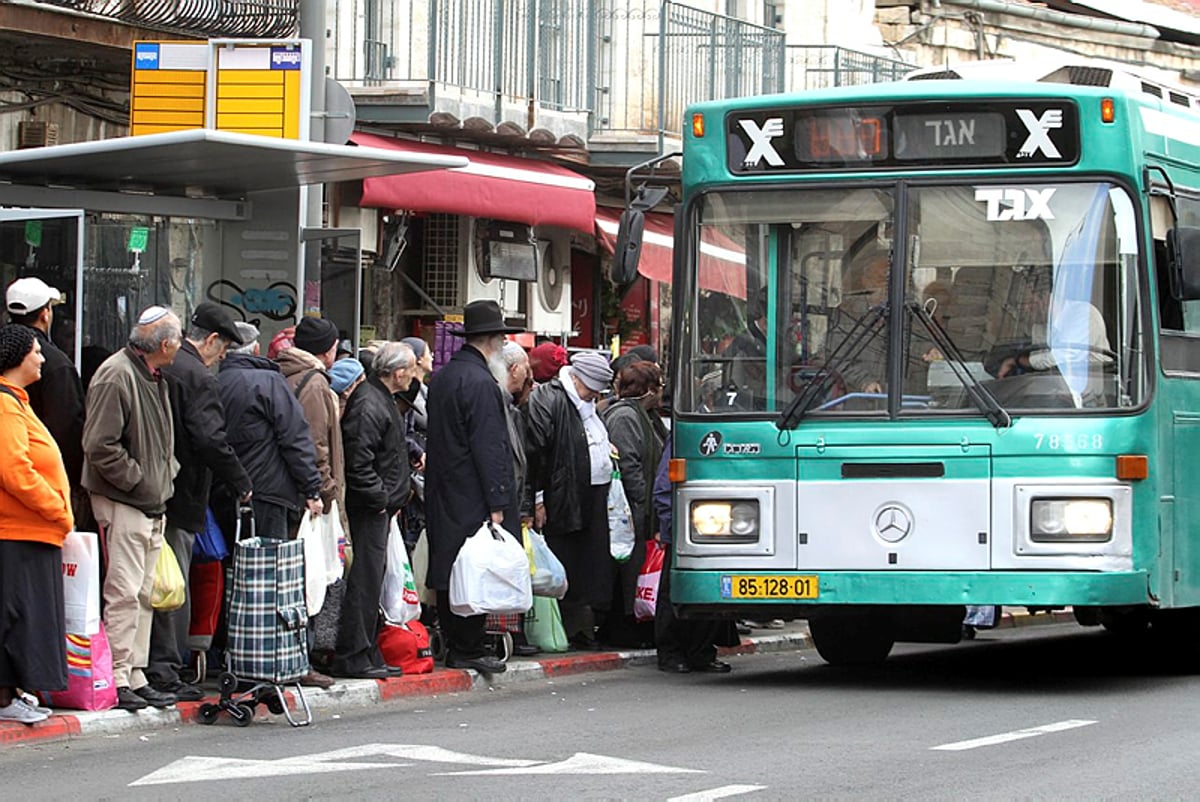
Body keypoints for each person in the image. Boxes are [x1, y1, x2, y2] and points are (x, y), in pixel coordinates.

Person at [146, 302, 251, 702]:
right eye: (222, 348)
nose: (222, 356)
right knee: (175, 584)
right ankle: (168, 667)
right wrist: (240, 479)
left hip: (154, 490)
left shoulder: (163, 367)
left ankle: (154, 663)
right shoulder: (197, 376)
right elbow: (210, 439)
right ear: (210, 340)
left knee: (153, 582)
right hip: (183, 492)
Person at [218, 321, 331, 689]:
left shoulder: (215, 380)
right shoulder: (267, 382)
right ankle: (278, 660)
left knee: (234, 580)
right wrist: (312, 488)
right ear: (253, 350)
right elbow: (295, 438)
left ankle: (232, 655)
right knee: (276, 582)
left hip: (228, 490)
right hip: (270, 491)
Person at [82, 306, 182, 712]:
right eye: (176, 341)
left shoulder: (148, 374)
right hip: (126, 499)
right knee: (124, 591)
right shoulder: (117, 375)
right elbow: (99, 446)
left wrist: (164, 476)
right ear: (163, 344)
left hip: (146, 499)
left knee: (143, 591)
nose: (179, 347)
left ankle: (134, 672)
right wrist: (141, 480)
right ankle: (120, 674)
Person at [425, 301, 520, 674]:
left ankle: (456, 641)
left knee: (451, 565)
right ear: (495, 342)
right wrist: (497, 500)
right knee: (475, 567)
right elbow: (489, 446)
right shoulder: (481, 383)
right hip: (472, 490)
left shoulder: (445, 376)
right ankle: (467, 645)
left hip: (444, 485)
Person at [0, 325, 74, 723]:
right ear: (17, 359)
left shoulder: (17, 402)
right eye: (36, 352)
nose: (43, 358)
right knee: (15, 618)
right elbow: (14, 470)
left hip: (32, 531)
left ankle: (14, 693)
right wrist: (57, 510)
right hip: (18, 530)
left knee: (24, 618)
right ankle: (4, 697)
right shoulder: (4, 404)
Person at [331, 341, 417, 679]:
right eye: (410, 369)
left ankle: (365, 649)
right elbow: (359, 461)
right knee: (366, 581)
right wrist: (380, 498)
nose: (414, 375)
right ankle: (353, 653)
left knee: (372, 579)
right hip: (371, 509)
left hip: (380, 506)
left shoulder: (380, 399)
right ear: (397, 373)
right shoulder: (371, 403)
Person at [526, 350, 615, 649]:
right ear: (575, 378)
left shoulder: (586, 405)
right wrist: (537, 499)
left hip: (590, 493)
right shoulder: (549, 400)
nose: (593, 395)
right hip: (563, 495)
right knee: (568, 561)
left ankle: (582, 628)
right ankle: (569, 628)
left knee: (589, 564)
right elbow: (536, 453)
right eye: (590, 388)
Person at [652, 434, 734, 674]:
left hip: (717, 522)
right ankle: (670, 652)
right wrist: (670, 523)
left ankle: (702, 652)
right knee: (674, 593)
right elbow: (664, 486)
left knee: (711, 591)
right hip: (686, 526)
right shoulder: (685, 434)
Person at [5, 278, 85, 516]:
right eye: (35, 354)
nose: (39, 359)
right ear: (45, 314)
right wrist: (57, 499)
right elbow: (68, 429)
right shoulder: (57, 365)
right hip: (41, 487)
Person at [600, 361, 666, 647]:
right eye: (660, 385)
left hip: (642, 507)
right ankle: (624, 627)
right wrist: (643, 503)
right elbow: (629, 465)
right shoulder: (626, 417)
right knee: (627, 572)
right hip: (630, 510)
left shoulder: (648, 415)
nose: (663, 391)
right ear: (650, 389)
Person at [490, 340, 538, 656]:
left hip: (510, 501)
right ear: (515, 369)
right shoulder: (498, 404)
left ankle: (512, 630)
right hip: (500, 503)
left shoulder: (511, 407)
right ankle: (502, 632)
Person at [277, 316, 345, 534]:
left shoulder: (285, 372)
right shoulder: (314, 383)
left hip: (290, 486)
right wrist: (326, 490)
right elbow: (315, 442)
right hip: (306, 493)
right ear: (327, 350)